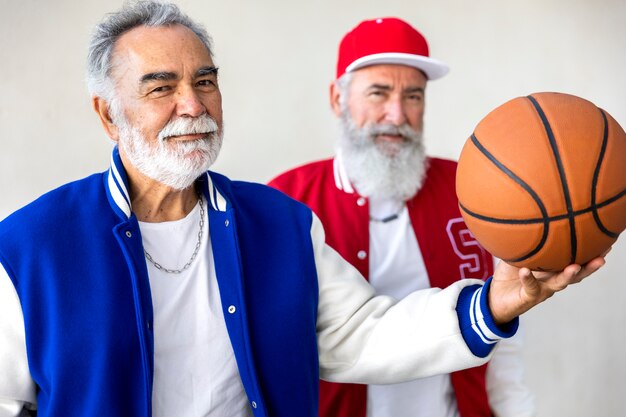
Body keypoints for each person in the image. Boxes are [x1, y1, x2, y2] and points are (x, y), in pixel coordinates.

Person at [0, 3, 605, 417]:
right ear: (108, 113)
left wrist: (501, 302)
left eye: (205, 80)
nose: (192, 105)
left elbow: (365, 334)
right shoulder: (28, 249)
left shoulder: (280, 224)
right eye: (161, 87)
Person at [268, 17, 536, 417]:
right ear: (338, 99)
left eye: (413, 95)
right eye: (378, 93)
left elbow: (505, 346)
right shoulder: (285, 202)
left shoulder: (473, 191)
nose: (397, 114)